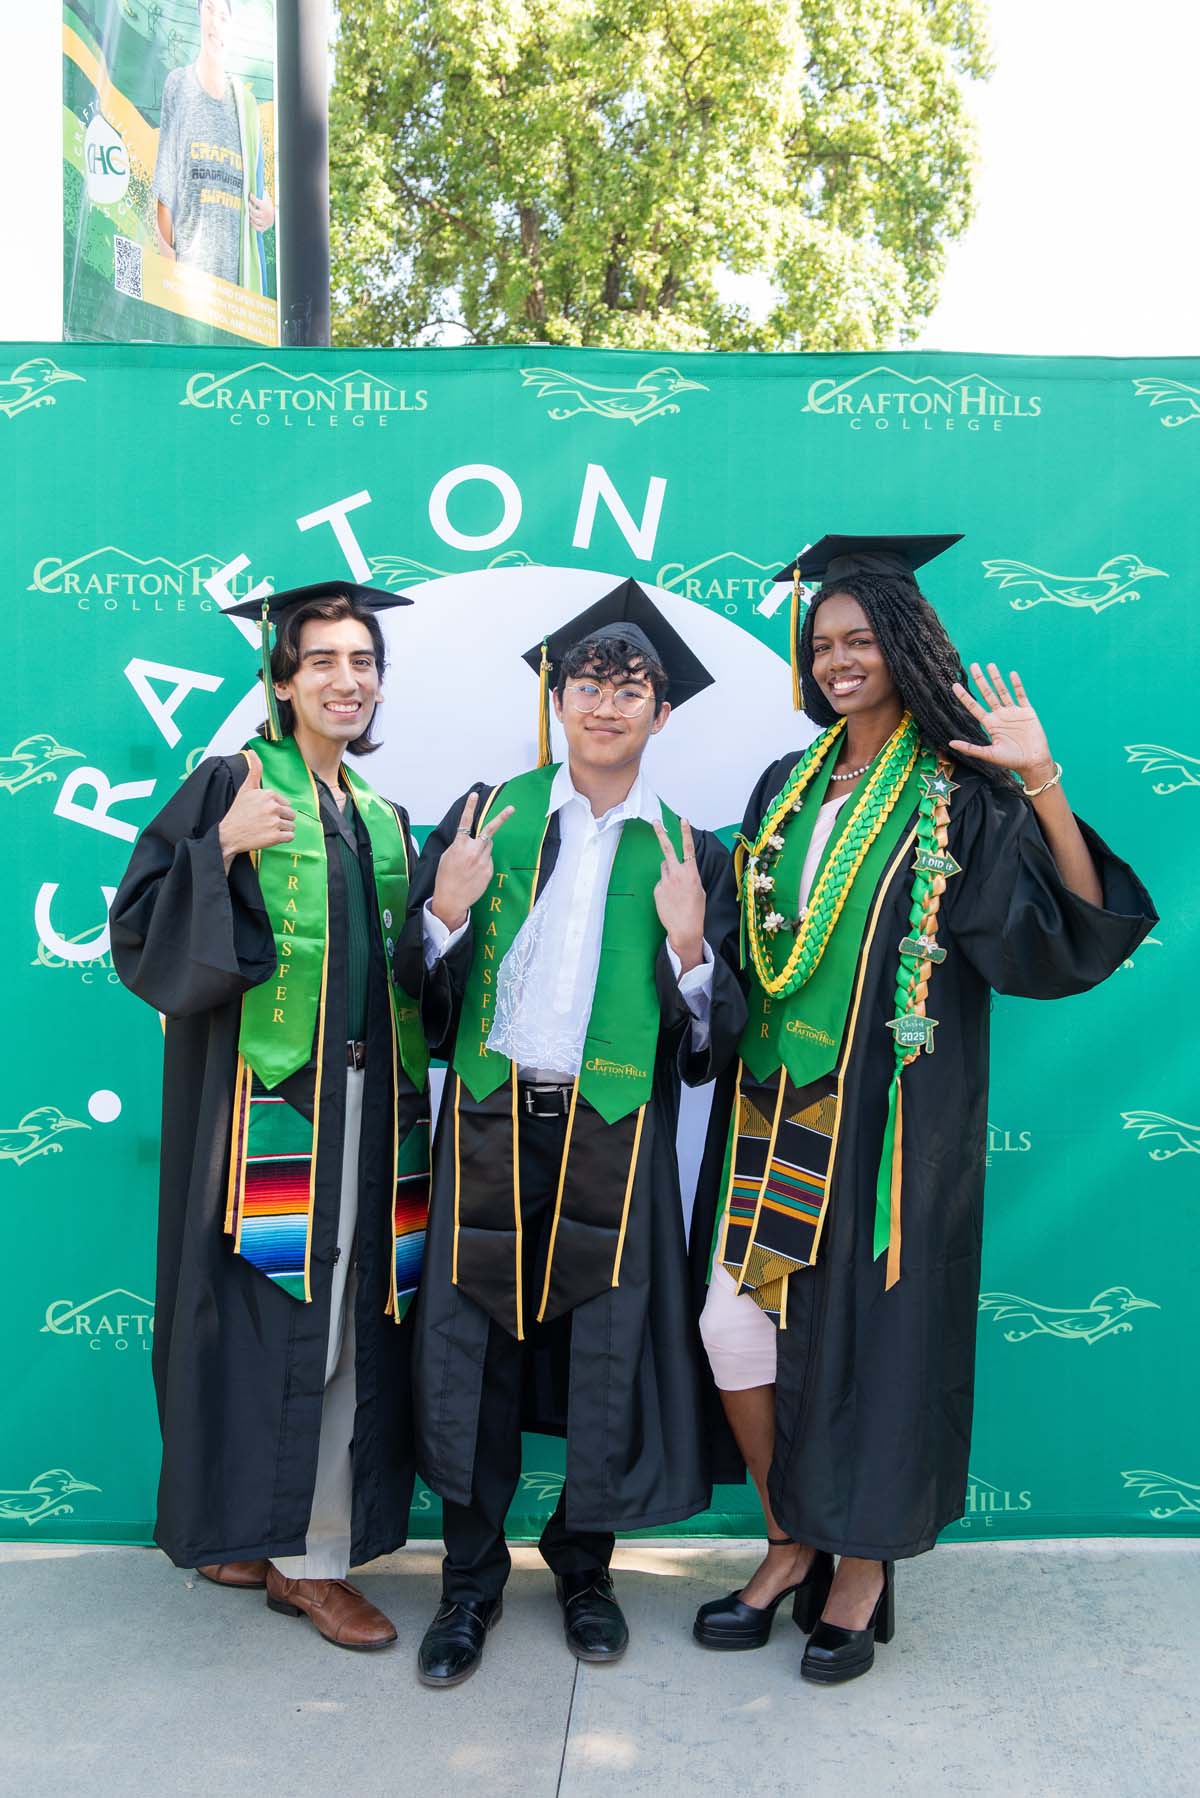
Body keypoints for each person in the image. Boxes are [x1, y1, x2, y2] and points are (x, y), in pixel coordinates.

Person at [689, 533, 1157, 1684]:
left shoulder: (957, 791)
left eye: (860, 640)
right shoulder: (785, 787)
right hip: (773, 1111)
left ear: (904, 646)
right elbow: (753, 942)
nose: (838, 660)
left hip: (894, 1121)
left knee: (878, 1350)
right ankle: (790, 1535)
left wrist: (1039, 781)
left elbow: (1064, 935)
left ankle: (860, 1567)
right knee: (732, 1330)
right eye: (822, 644)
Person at [397, 579, 746, 1687]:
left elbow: (712, 1038)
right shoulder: (488, 815)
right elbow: (415, 988)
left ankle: (585, 1567)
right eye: (587, 683)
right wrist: (445, 910)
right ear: (558, 698)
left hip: (616, 1133)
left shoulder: (692, 852)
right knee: (474, 1352)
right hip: (491, 1119)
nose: (605, 703)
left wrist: (691, 949)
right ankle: (467, 1583)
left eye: (630, 688)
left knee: (607, 1354)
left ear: (663, 713)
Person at [111, 581, 430, 1650]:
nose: (347, 680)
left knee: (338, 1320)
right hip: (265, 1112)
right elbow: (140, 935)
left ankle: (304, 1543)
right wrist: (219, 849)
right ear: (282, 681)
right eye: (322, 660)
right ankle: (287, 1550)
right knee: (268, 1322)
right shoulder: (233, 783)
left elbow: (403, 974)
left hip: (368, 1109)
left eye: (363, 661)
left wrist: (449, 911)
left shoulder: (381, 818)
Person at [153, 0, 274, 291]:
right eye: (209, 8)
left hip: (238, 296)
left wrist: (269, 212)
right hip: (189, 283)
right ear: (198, 14)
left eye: (223, 15)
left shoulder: (245, 105)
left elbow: (256, 184)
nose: (215, 22)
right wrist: (169, 268)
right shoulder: (178, 84)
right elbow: (164, 186)